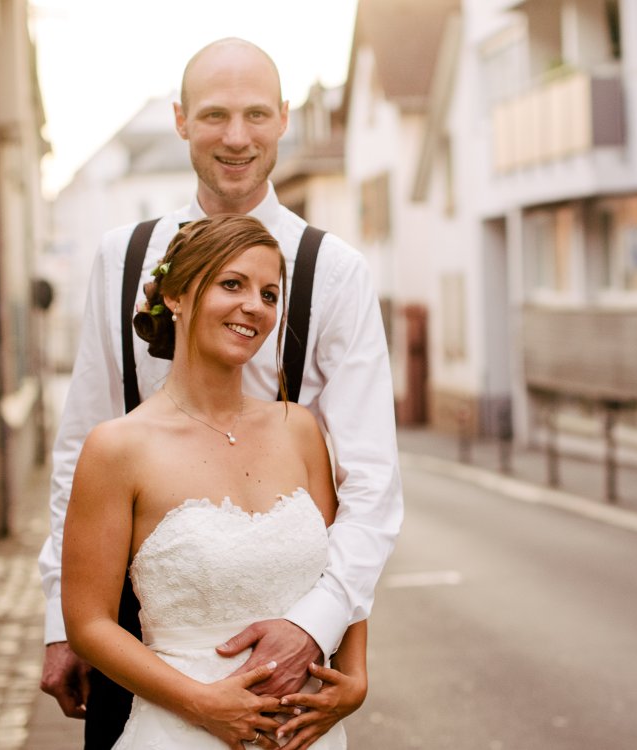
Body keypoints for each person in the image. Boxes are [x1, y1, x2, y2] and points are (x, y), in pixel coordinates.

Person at [38, 37, 402, 749]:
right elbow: (80, 444)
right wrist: (62, 620)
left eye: (256, 115)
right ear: (180, 120)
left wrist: (325, 633)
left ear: (285, 119)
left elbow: (367, 485)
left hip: (297, 646)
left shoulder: (337, 272)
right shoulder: (121, 256)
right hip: (145, 635)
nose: (237, 138)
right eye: (214, 116)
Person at [64, 215, 365, 749]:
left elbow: (342, 561)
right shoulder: (116, 448)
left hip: (306, 734)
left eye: (270, 293)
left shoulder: (299, 429)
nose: (255, 306)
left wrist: (355, 678)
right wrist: (201, 703)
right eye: (233, 284)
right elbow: (88, 623)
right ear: (176, 295)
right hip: (182, 729)